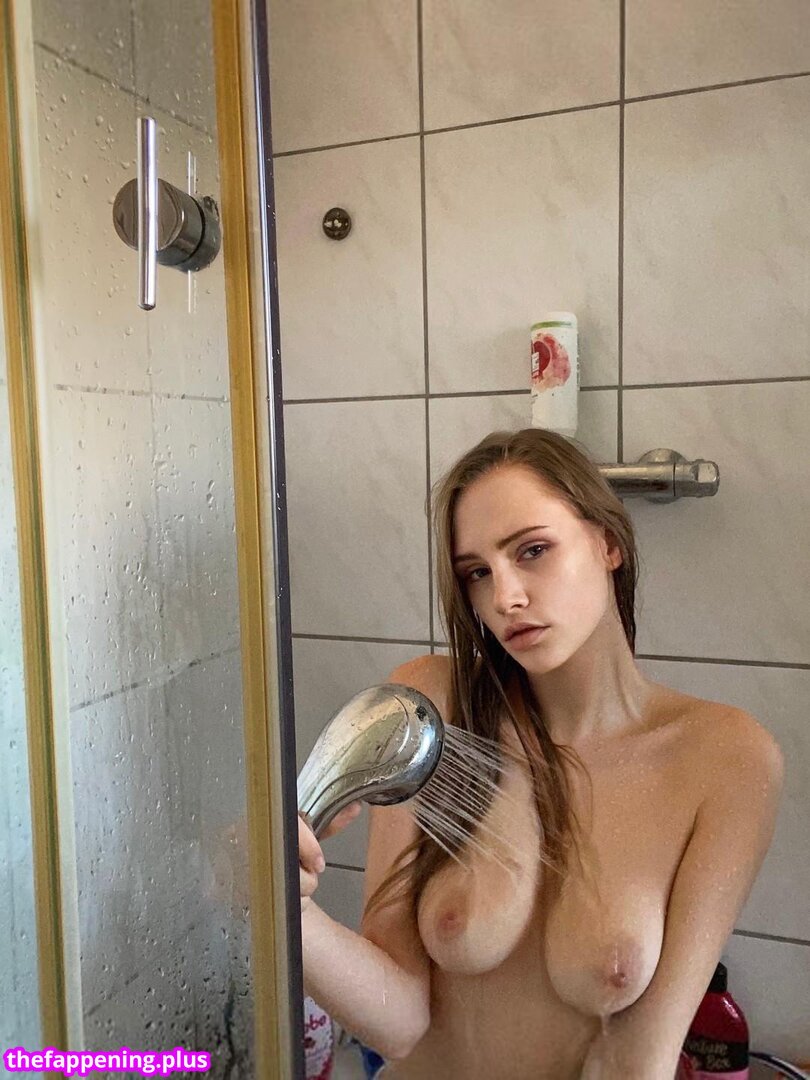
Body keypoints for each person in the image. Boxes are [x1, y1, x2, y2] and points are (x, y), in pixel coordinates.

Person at [297, 428, 783, 1079]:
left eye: (532, 551)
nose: (505, 599)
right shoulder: (431, 711)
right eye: (477, 573)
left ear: (608, 543)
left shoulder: (724, 757)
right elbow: (397, 1023)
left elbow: (640, 1058)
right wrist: (285, 905)